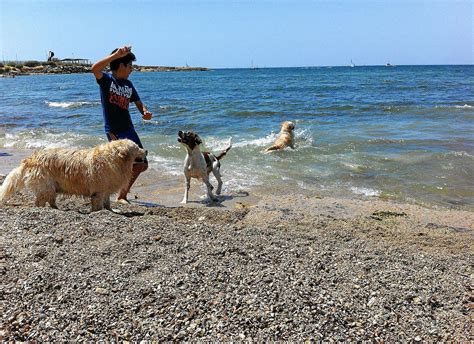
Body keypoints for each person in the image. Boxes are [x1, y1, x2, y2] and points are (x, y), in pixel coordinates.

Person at [91, 46, 153, 204]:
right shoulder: (107, 80)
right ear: (121, 66)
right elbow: (94, 68)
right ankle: (118, 195)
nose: (132, 69)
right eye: (130, 65)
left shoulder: (129, 85)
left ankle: (119, 193)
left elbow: (139, 103)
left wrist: (144, 112)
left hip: (129, 129)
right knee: (123, 164)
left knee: (142, 163)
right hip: (114, 130)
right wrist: (116, 55)